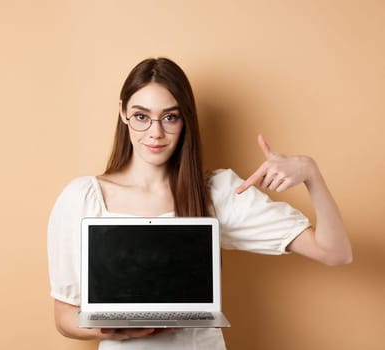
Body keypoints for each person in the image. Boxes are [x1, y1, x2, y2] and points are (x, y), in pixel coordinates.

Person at [46, 57, 353, 349]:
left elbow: (334, 252)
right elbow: (64, 315)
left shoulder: (216, 193)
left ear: (185, 120)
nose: (155, 132)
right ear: (123, 112)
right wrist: (119, 330)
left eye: (170, 117)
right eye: (142, 116)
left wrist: (311, 174)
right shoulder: (81, 197)